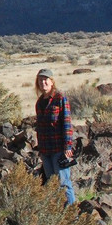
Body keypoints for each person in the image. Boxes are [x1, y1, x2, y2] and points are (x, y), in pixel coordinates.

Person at [34, 68, 75, 204]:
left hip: (59, 149)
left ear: (52, 82)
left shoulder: (60, 98)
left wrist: (68, 146)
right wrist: (40, 150)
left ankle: (72, 212)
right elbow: (40, 128)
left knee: (64, 183)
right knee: (51, 185)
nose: (43, 82)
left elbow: (67, 123)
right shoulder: (39, 102)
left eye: (45, 79)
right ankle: (57, 212)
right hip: (45, 150)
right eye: (40, 80)